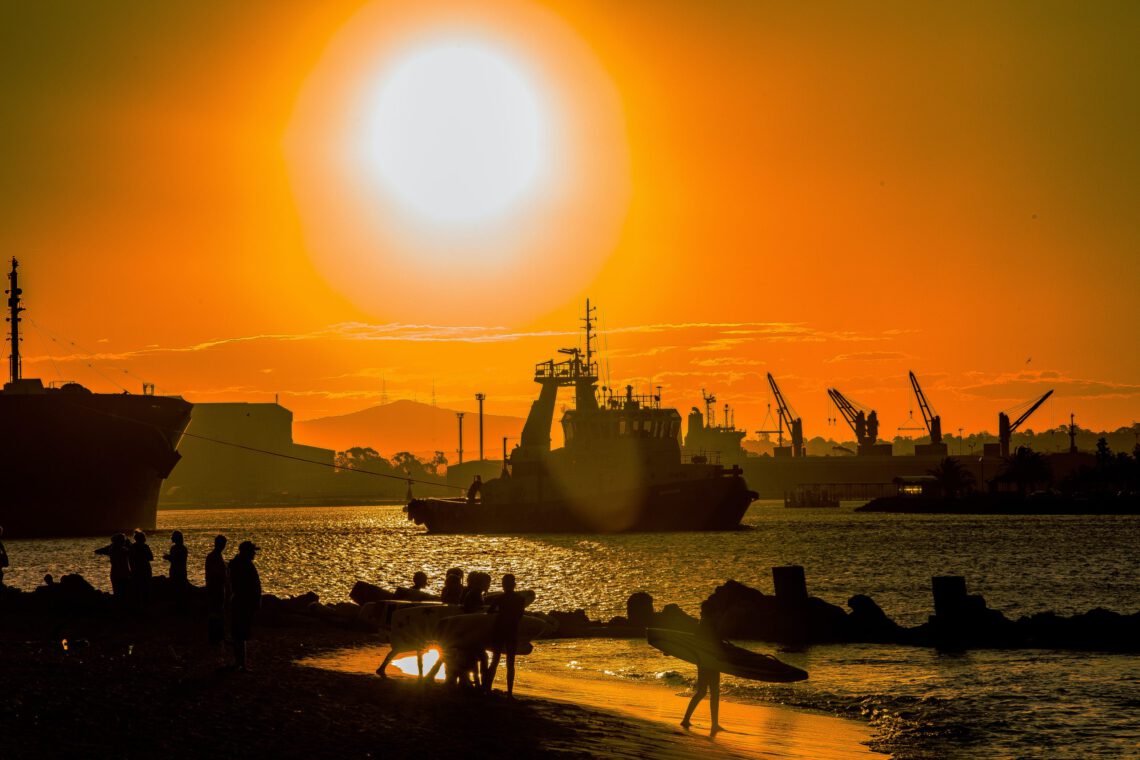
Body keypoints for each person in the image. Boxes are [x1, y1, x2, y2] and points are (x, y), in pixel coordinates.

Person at [681, 600, 725, 735]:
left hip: (703, 661)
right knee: (713, 693)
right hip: (710, 661)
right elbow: (716, 642)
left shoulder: (703, 623)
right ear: (712, 612)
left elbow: (697, 640)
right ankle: (714, 724)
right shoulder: (709, 623)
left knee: (702, 692)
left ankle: (687, 719)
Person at [484, 573, 527, 697]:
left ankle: (487, 688)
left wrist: (500, 612)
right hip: (512, 631)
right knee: (510, 663)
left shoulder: (499, 598)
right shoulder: (520, 599)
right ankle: (510, 693)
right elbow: (519, 616)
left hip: (499, 630)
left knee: (495, 660)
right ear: (514, 585)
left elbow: (489, 612)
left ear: (503, 585)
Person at [228, 540, 262, 671]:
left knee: (240, 633)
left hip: (241, 601)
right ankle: (240, 663)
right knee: (240, 633)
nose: (254, 553)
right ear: (247, 552)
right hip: (243, 602)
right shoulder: (244, 565)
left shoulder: (238, 564)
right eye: (252, 551)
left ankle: (240, 662)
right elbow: (248, 586)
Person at [205, 535, 229, 649]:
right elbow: (215, 574)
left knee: (217, 612)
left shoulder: (215, 556)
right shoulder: (214, 557)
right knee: (216, 612)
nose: (224, 546)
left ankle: (217, 636)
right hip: (215, 588)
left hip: (217, 588)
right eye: (223, 544)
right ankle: (215, 637)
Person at [94, 533, 132, 604]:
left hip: (114, 573)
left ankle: (118, 607)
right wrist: (130, 544)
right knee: (125, 592)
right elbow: (132, 552)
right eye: (123, 540)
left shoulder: (111, 549)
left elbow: (98, 551)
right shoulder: (122, 550)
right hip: (123, 573)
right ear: (120, 541)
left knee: (117, 592)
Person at [128, 531, 153, 608]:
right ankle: (146, 604)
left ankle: (138, 605)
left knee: (138, 588)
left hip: (136, 569)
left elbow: (130, 559)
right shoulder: (145, 547)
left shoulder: (132, 547)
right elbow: (151, 558)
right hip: (145, 568)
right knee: (146, 587)